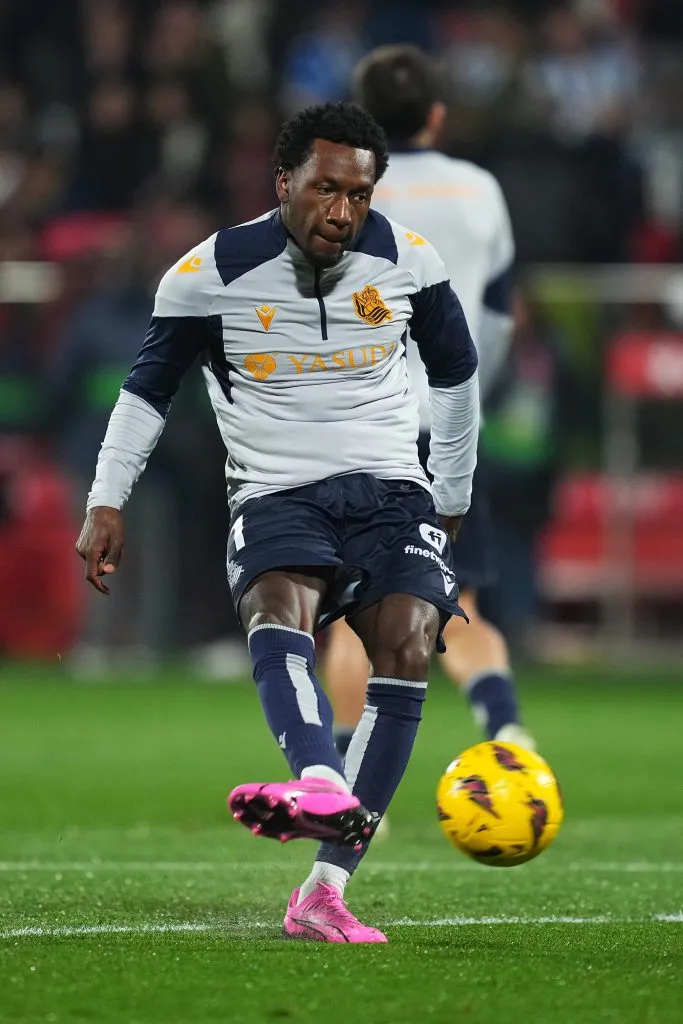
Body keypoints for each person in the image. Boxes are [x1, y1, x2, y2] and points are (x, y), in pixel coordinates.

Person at [76, 101, 478, 943]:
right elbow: (147, 392)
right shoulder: (207, 272)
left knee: (408, 641)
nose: (342, 212)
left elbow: (455, 377)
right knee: (276, 607)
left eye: (359, 196)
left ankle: (324, 890)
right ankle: (322, 782)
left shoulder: (409, 261)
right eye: (326, 190)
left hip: (389, 492)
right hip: (276, 491)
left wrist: (451, 494)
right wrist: (105, 500)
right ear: (283, 181)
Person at [323, 46, 535, 774]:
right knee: (461, 591)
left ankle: (349, 784)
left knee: (356, 607)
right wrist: (474, 384)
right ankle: (506, 733)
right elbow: (502, 313)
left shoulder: (344, 191)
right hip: (447, 422)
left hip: (361, 426)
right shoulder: (479, 190)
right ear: (437, 115)